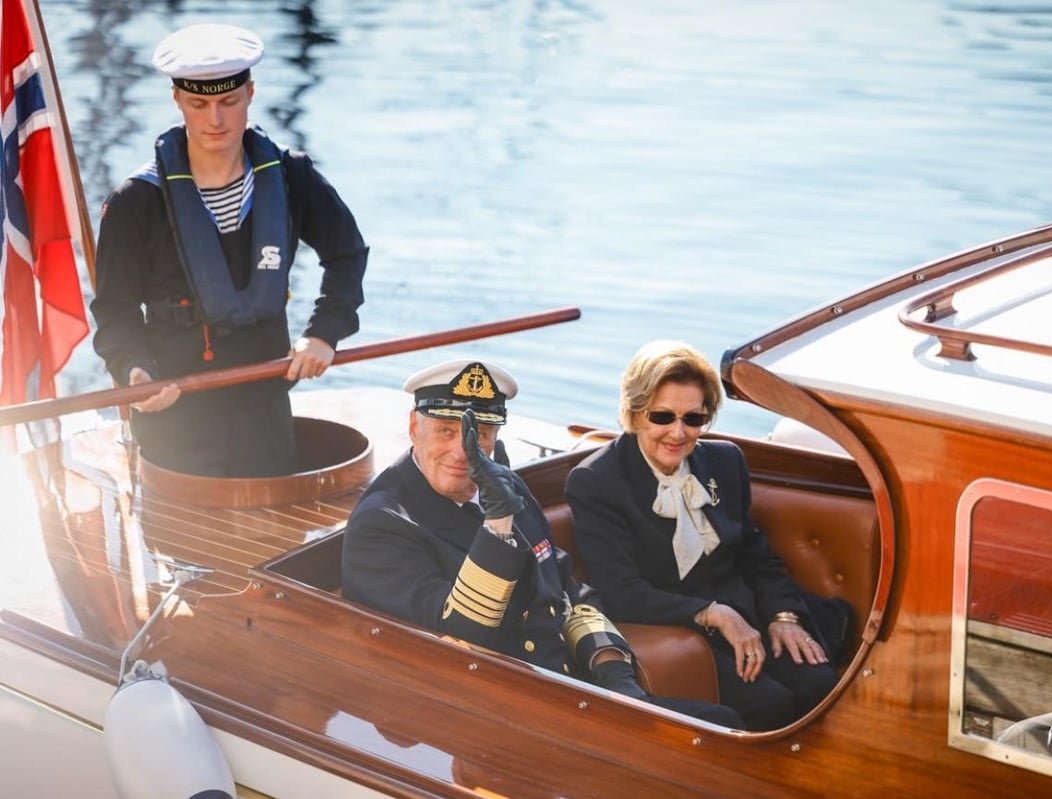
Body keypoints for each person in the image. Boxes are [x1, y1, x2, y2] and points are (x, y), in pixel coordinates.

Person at [341, 358, 743, 728]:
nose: (461, 452)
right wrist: (497, 524)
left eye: (478, 436)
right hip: (494, 715)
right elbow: (461, 638)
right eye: (446, 431)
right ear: (414, 427)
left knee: (725, 722)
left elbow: (568, 592)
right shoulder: (384, 523)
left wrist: (616, 676)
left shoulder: (505, 486)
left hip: (569, 688)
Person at [89, 23, 368, 477]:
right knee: (176, 542)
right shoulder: (134, 202)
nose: (215, 120)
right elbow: (115, 309)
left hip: (263, 404)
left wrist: (323, 332)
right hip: (173, 412)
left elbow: (347, 254)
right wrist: (135, 370)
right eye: (199, 104)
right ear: (177, 101)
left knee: (270, 528)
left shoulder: (292, 176)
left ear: (250, 94)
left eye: (228, 102)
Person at [565, 341, 844, 731]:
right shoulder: (597, 481)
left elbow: (755, 555)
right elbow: (621, 591)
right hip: (680, 628)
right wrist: (713, 614)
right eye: (662, 416)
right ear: (634, 413)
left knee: (818, 681)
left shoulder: (726, 460)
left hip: (749, 612)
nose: (678, 433)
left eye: (693, 419)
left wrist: (784, 616)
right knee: (770, 705)